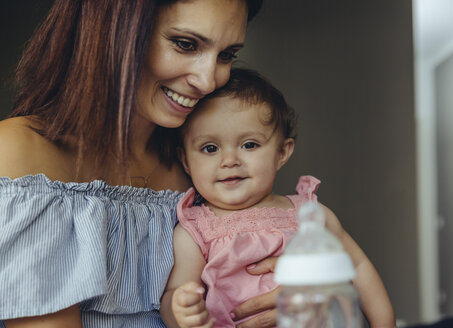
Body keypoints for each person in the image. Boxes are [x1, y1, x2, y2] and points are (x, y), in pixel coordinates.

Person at [0, 1, 275, 327]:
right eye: (185, 44)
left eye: (226, 55)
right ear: (112, 32)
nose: (207, 80)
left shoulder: (205, 166)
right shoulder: (20, 154)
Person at [160, 68, 396, 327]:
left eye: (249, 145)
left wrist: (384, 323)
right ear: (185, 160)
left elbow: (358, 266)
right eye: (210, 148)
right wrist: (180, 310)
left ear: (282, 152)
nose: (229, 161)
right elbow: (177, 291)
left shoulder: (309, 215)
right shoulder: (195, 230)